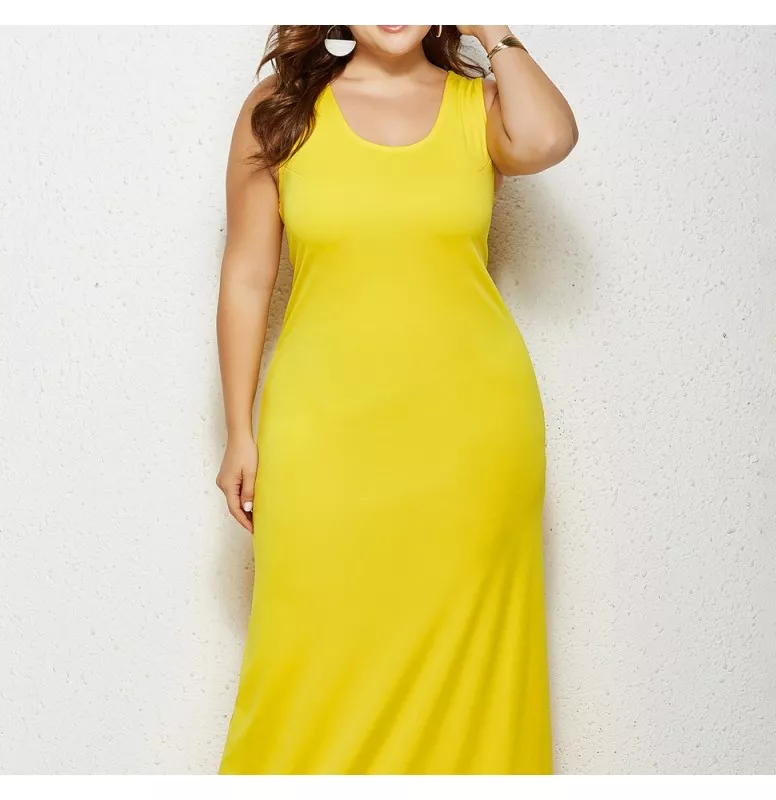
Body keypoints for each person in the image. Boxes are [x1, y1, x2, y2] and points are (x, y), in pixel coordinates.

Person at [215, 24, 578, 774]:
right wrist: (238, 432)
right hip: (322, 439)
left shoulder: (483, 107)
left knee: (471, 674)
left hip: (471, 441)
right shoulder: (278, 110)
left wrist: (492, 30)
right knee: (309, 661)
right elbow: (247, 279)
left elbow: (548, 139)